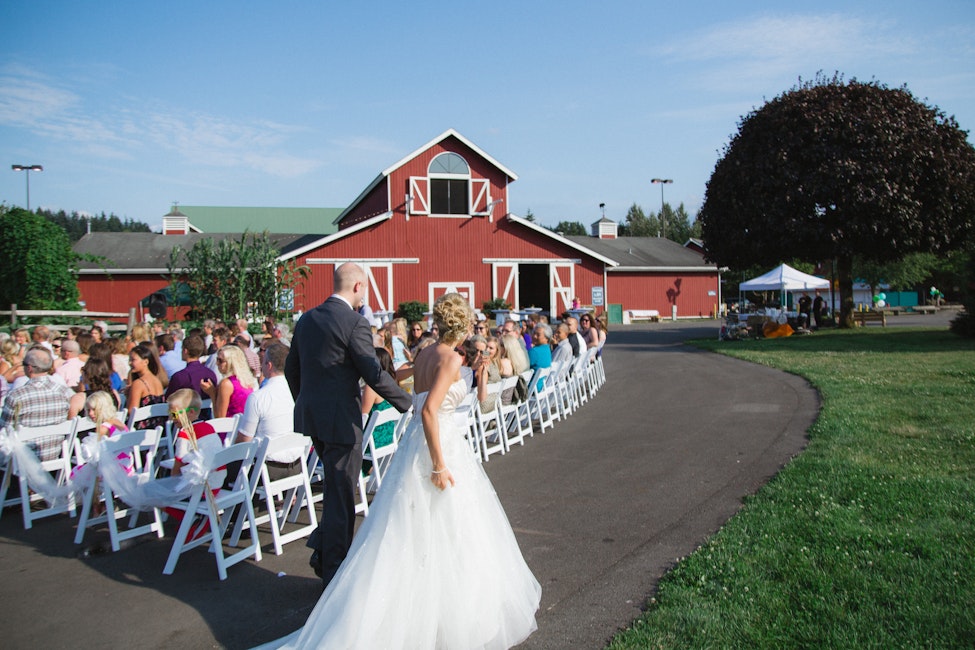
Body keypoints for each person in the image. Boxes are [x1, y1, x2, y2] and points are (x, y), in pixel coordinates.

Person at [265, 292, 540, 649]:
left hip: (415, 447)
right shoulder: (451, 359)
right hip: (438, 447)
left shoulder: (425, 353)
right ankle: (444, 618)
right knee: (451, 530)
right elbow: (428, 412)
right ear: (463, 324)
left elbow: (416, 399)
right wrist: (440, 465)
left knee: (410, 530)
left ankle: (423, 607)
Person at [285, 262, 412, 588]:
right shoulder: (354, 322)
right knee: (341, 497)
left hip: (314, 418)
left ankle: (325, 555)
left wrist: (307, 403)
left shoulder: (307, 319)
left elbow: (291, 370)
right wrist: (408, 404)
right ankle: (334, 579)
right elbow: (373, 372)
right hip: (341, 420)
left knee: (335, 490)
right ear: (358, 286)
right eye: (365, 289)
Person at [235, 342, 299, 481]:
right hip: (298, 466)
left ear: (269, 366)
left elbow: (244, 441)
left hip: (267, 471)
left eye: (263, 362)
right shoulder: (299, 391)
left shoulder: (258, 397)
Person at [0, 347, 75, 460]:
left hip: (22, 460)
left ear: (29, 368)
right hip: (54, 454)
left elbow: (4, 429)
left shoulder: (17, 395)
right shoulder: (63, 391)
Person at [359, 347, 399, 474]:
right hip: (387, 438)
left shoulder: (372, 388)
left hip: (371, 443)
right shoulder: (392, 383)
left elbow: (362, 418)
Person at [200, 344, 257, 419]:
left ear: (231, 362)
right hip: (242, 426)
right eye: (217, 359)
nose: (217, 364)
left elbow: (220, 417)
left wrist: (212, 394)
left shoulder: (226, 384)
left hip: (229, 428)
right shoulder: (246, 380)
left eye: (220, 360)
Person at [126, 343, 167, 430]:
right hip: (157, 427)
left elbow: (131, 412)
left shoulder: (139, 383)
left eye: (133, 360)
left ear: (145, 362)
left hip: (141, 430)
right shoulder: (157, 380)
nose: (130, 363)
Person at [165, 335, 217, 399]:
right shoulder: (211, 374)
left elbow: (168, 399)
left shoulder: (180, 376)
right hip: (207, 408)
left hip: (187, 408)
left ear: (185, 351)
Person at [528, 323, 553, 390]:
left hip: (532, 388)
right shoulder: (547, 349)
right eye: (534, 333)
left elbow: (523, 368)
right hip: (542, 385)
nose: (534, 336)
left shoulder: (534, 351)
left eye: (538, 335)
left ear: (546, 338)